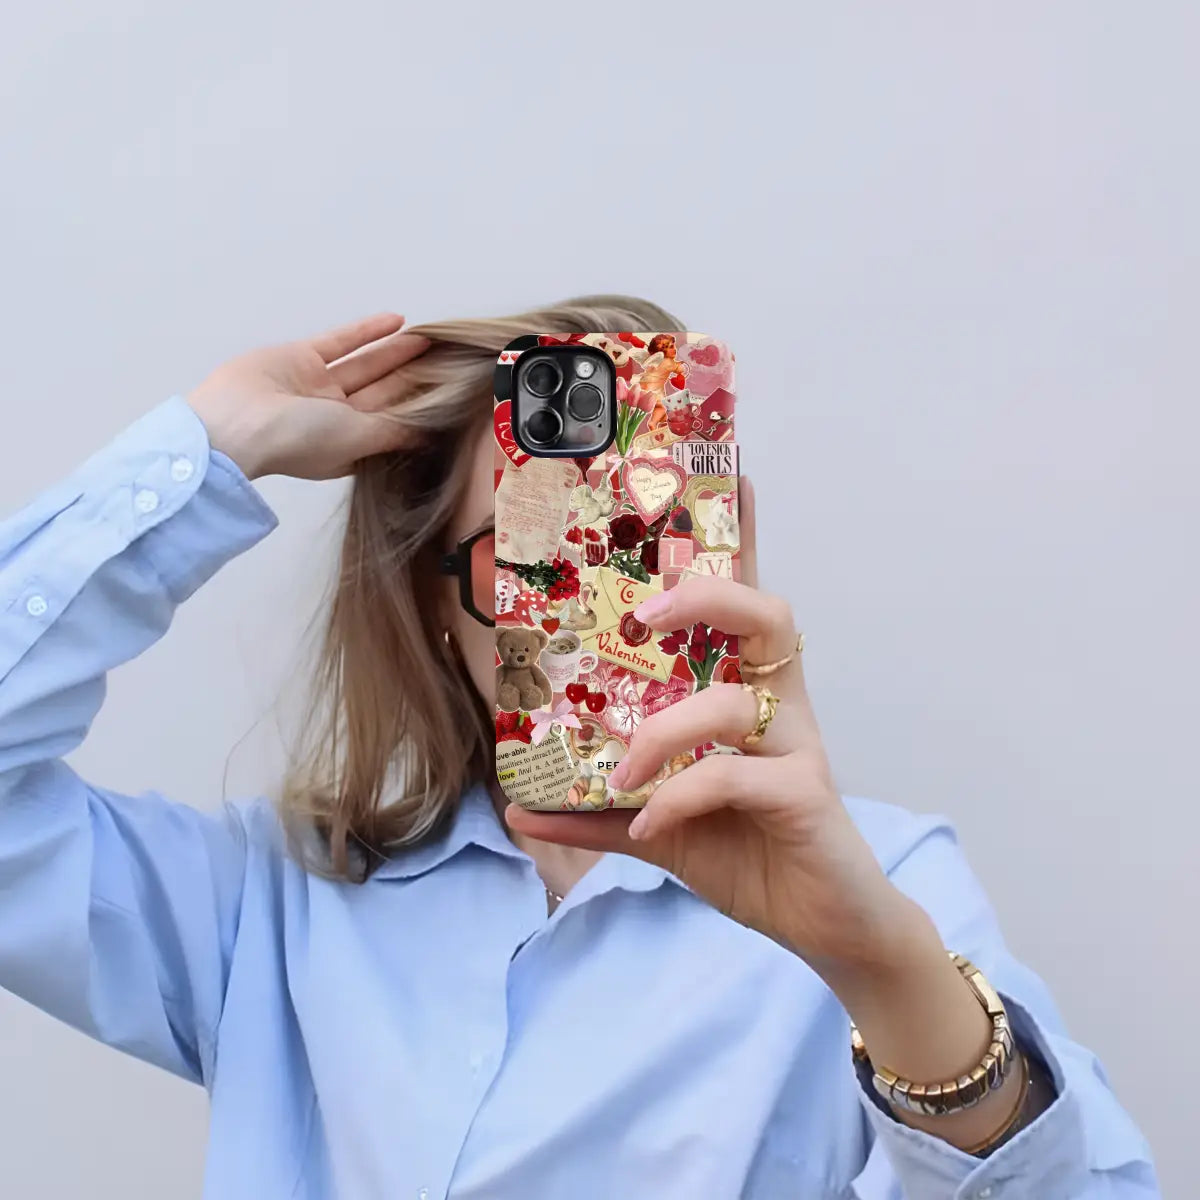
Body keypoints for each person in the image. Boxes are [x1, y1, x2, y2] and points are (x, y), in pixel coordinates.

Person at [0, 297, 1158, 1199]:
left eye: (639, 535)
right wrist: (209, 450)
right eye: (529, 552)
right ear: (431, 598)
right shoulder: (273, 908)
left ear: (728, 546)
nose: (598, 603)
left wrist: (887, 978)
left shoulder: (885, 887)